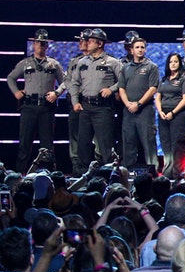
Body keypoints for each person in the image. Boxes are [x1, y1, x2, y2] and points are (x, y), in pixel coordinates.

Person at [7, 29, 66, 172]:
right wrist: (16, 92)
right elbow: (11, 78)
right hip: (29, 107)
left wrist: (57, 93)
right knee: (25, 143)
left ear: (47, 46)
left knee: (47, 145)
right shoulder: (25, 63)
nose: (40, 45)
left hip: (46, 108)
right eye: (38, 42)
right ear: (33, 44)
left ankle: (49, 175)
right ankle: (20, 175)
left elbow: (66, 81)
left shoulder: (53, 64)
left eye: (43, 43)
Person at [71, 28, 122, 172]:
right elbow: (74, 82)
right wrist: (75, 102)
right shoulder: (82, 62)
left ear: (99, 44)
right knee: (83, 143)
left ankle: (108, 174)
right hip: (85, 107)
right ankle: (83, 175)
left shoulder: (112, 62)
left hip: (103, 108)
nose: (87, 43)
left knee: (105, 144)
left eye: (91, 41)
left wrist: (111, 89)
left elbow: (124, 81)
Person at [117, 36, 160, 169]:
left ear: (145, 50)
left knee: (148, 143)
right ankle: (127, 174)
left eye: (142, 47)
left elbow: (153, 88)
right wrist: (128, 104)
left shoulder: (151, 67)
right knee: (128, 142)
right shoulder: (125, 68)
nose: (140, 50)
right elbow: (121, 88)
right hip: (128, 111)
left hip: (145, 111)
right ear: (131, 50)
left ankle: (153, 173)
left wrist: (138, 104)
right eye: (137, 47)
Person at [155, 53, 185, 179]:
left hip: (179, 115)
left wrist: (173, 112)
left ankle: (178, 176)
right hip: (163, 115)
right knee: (166, 145)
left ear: (180, 63)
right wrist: (160, 111)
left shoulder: (184, 80)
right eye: (171, 62)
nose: (173, 64)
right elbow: (158, 97)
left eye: (176, 61)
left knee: (178, 146)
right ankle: (167, 174)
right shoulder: (164, 80)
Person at [65, 31, 91, 174]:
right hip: (75, 102)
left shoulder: (100, 61)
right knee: (74, 135)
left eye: (83, 40)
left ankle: (94, 165)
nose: (80, 43)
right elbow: (68, 80)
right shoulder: (74, 61)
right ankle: (77, 166)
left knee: (93, 137)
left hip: (90, 102)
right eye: (80, 40)